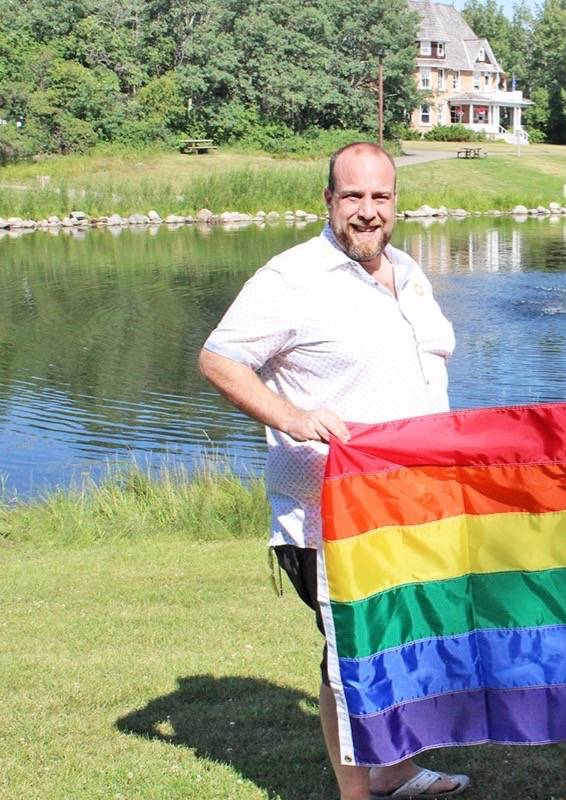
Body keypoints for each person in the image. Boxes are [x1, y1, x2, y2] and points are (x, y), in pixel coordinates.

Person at [198, 142, 469, 800]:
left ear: (395, 203)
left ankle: (398, 770)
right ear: (328, 201)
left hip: (410, 502)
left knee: (403, 640)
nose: (367, 212)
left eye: (380, 197)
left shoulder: (408, 271)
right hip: (331, 509)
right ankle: (356, 793)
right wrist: (291, 416)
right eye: (352, 196)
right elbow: (219, 359)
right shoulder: (292, 279)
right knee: (348, 650)